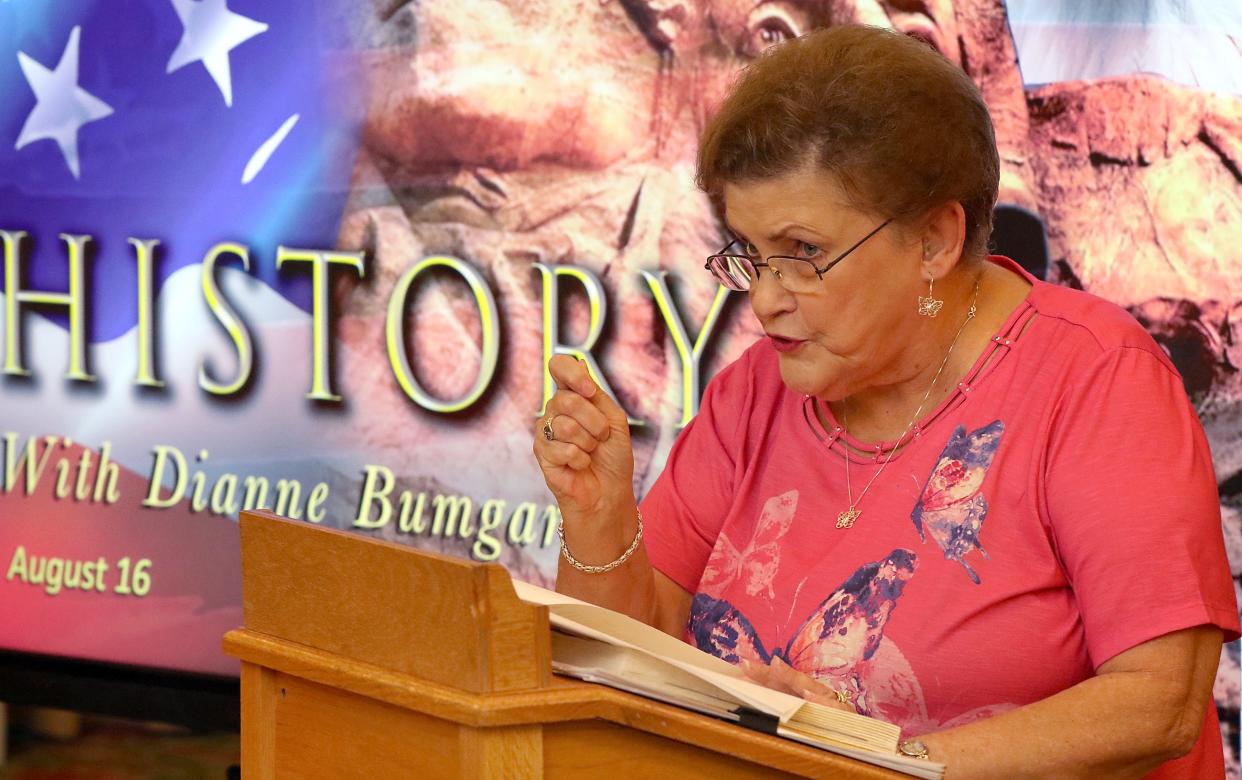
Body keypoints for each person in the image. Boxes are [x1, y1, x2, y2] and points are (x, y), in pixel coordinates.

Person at [532, 24, 1240, 778]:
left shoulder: (1097, 384)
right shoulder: (755, 392)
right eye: (750, 251)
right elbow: (627, 664)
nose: (766, 299)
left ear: (934, 239)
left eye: (803, 254)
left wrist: (884, 764)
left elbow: (1157, 703)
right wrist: (601, 518)